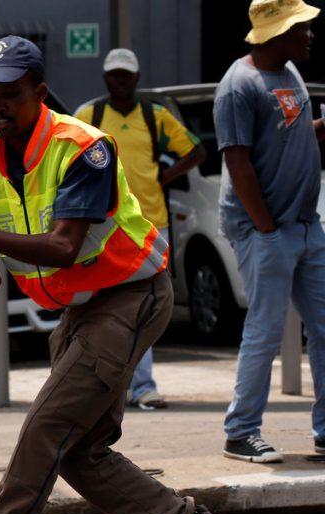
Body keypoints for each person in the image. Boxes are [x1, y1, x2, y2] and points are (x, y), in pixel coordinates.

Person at [0, 36, 253, 514]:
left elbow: (61, 246)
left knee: (44, 428)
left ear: (39, 93)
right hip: (80, 309)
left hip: (131, 297)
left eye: (11, 95)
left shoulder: (83, 148)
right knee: (80, 452)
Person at [214, 0, 325, 464]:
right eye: (303, 27)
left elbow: (296, 136)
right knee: (265, 330)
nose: (311, 34)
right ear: (278, 33)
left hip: (305, 225)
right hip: (266, 230)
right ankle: (240, 431)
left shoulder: (290, 73)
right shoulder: (238, 86)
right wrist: (267, 229)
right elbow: (237, 162)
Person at [76, 48, 207, 411]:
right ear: (106, 77)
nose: (119, 80)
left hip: (149, 220)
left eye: (125, 74)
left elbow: (195, 151)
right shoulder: (90, 115)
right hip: (106, 223)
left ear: (136, 78)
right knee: (108, 304)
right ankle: (120, 384)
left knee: (145, 304)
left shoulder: (156, 115)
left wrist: (162, 177)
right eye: (114, 74)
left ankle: (139, 385)